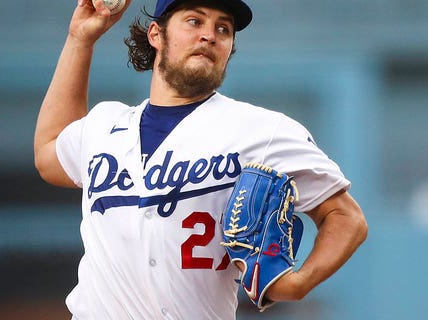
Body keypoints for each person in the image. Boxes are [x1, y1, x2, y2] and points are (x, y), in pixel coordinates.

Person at [33, 0, 368, 318]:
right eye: (194, 21)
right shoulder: (104, 125)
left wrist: (299, 283)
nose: (209, 34)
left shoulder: (262, 130)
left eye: (223, 29)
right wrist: (80, 39)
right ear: (156, 35)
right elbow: (50, 152)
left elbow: (345, 216)